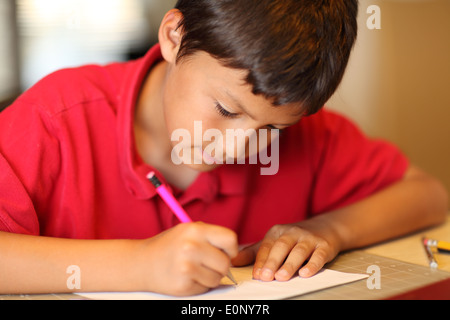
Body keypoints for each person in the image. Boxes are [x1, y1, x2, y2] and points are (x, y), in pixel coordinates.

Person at [0, 0, 447, 297]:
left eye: (273, 128)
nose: (236, 147)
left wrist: (330, 230)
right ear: (175, 35)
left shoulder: (309, 135)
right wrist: (138, 265)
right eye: (226, 109)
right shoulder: (57, 118)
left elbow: (428, 195)